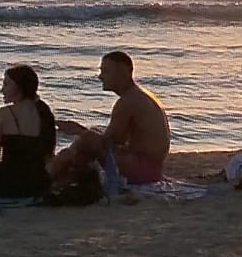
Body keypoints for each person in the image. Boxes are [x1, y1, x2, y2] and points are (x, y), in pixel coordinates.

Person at [54, 47, 173, 197]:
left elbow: (110, 142)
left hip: (142, 170)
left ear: (123, 72)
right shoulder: (140, 95)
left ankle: (51, 175)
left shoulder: (127, 101)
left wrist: (78, 131)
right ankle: (68, 177)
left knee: (87, 139)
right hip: (151, 168)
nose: (100, 76)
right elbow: (119, 140)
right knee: (88, 138)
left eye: (105, 71)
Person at [0, 64, 60, 201]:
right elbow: (48, 156)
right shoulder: (45, 113)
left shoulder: (3, 114)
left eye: (6, 85)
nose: (2, 90)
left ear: (18, 87)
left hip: (8, 187)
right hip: (39, 186)